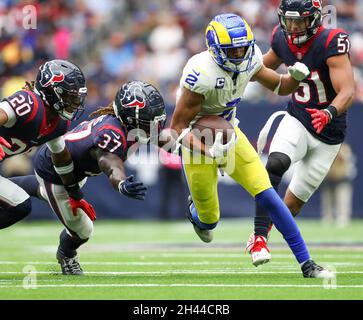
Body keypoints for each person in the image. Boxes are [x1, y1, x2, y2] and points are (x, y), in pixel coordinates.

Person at [167, 12, 332, 278]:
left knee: (266, 193)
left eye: (244, 47)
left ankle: (307, 263)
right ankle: (195, 212)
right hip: (198, 143)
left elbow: (279, 86)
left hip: (230, 134)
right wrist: (209, 150)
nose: (241, 53)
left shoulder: (250, 58)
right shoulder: (201, 73)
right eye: (233, 50)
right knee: (209, 220)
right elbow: (175, 130)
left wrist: (295, 79)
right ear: (215, 49)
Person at [12, 81, 167, 275]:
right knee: (83, 230)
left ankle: (12, 187)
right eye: (149, 120)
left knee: (46, 192)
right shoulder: (111, 132)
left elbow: (165, 138)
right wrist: (120, 183)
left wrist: (195, 148)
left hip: (75, 169)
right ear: (130, 118)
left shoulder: (127, 125)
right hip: (57, 171)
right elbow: (110, 163)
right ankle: (66, 254)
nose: (155, 125)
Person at [246, 0, 355, 266]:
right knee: (275, 164)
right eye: (290, 20)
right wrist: (240, 68)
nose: (293, 26)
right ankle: (259, 239)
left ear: (315, 19)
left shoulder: (331, 40)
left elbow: (347, 90)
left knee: (291, 206)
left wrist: (329, 112)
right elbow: (260, 68)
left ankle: (262, 233)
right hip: (298, 117)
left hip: (328, 131)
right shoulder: (281, 39)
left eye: (300, 20)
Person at [0, 59, 95, 230]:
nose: (75, 103)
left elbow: (61, 157)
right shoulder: (29, 103)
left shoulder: (58, 123)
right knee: (21, 204)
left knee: (44, 188)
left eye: (76, 97)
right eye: (69, 96)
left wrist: (73, 192)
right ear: (51, 92)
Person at [320, 143, 356, 227]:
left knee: (342, 201)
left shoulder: (344, 148)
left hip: (342, 179)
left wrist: (338, 152)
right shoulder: (326, 147)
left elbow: (345, 158)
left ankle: (343, 219)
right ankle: (327, 219)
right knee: (327, 201)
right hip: (329, 179)